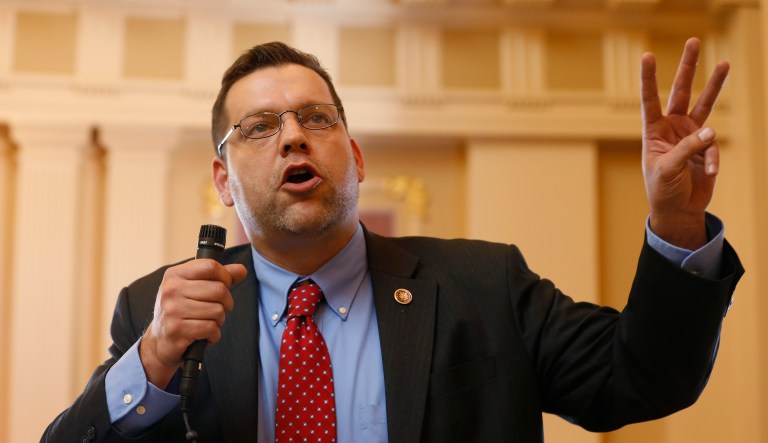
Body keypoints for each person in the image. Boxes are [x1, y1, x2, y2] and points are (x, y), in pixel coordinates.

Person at [42, 38, 743, 443]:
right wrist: (156, 358)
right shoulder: (158, 312)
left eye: (314, 118)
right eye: (260, 126)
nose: (292, 135)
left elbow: (645, 376)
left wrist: (676, 224)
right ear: (223, 181)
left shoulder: (484, 283)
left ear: (356, 158)